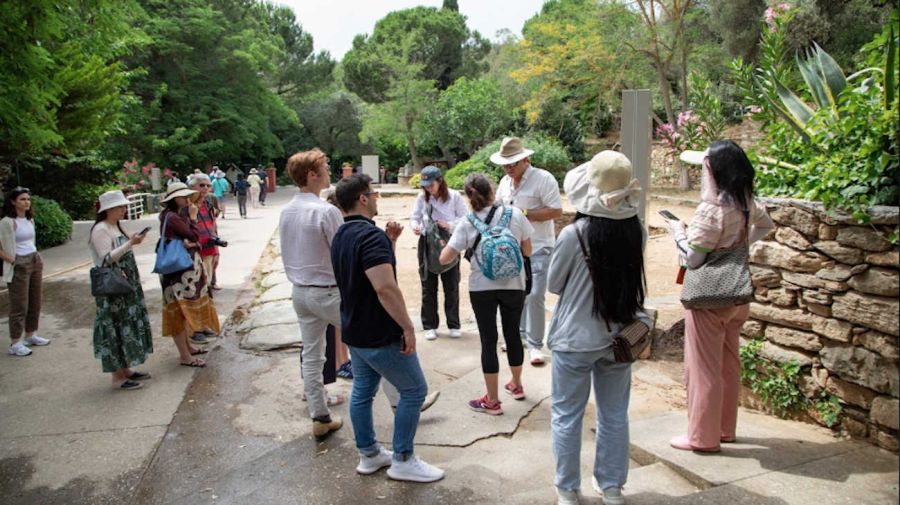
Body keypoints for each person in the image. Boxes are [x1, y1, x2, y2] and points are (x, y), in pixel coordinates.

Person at [547, 151, 653, 505]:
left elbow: (554, 284)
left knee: (566, 415)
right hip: (619, 339)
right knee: (613, 414)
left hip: (575, 340)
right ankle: (611, 488)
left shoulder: (573, 234)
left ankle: (567, 491)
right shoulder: (636, 231)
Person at [331, 174, 444, 483]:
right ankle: (404, 459)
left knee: (363, 391)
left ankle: (369, 454)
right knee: (414, 390)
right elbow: (385, 288)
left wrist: (390, 242)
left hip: (355, 331)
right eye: (374, 194)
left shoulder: (342, 234)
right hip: (379, 333)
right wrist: (407, 326)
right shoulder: (370, 237)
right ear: (363, 199)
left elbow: (370, 276)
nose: (377, 198)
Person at [666, 140, 774, 453]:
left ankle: (702, 437)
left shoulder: (711, 210)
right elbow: (765, 225)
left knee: (703, 368)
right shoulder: (745, 202)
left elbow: (694, 259)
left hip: (708, 298)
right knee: (729, 362)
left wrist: (678, 232)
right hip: (738, 294)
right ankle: (726, 429)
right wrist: (740, 248)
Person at [440, 173, 533, 415]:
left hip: (482, 287)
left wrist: (449, 247)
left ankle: (492, 401)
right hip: (514, 284)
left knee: (488, 341)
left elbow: (445, 258)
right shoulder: (514, 214)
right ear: (492, 191)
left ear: (469, 198)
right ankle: (517, 385)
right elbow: (528, 249)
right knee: (513, 334)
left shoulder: (468, 221)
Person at [279, 149, 346, 438]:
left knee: (312, 354)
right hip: (328, 291)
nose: (329, 172)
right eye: (325, 167)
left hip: (300, 292)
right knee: (376, 337)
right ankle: (403, 400)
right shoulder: (326, 211)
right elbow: (344, 256)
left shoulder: (287, 210)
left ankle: (319, 415)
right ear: (312, 175)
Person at [492, 136, 562, 365]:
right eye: (505, 164)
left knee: (534, 295)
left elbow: (556, 211)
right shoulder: (504, 182)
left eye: (512, 163)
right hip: (511, 247)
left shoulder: (543, 179)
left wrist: (523, 213)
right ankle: (519, 337)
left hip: (540, 245)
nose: (508, 168)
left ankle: (535, 344)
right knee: (516, 295)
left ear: (525, 160)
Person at [88, 191, 154, 390]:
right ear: (108, 209)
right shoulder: (100, 229)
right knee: (115, 326)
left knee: (126, 324)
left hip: (126, 283)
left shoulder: (115, 226)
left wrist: (132, 242)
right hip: (113, 286)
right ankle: (117, 376)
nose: (124, 210)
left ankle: (125, 369)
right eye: (120, 207)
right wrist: (129, 243)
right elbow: (106, 258)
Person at [157, 183, 220, 367]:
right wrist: (193, 218)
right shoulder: (173, 217)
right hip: (178, 272)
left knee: (182, 312)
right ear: (173, 198)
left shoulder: (172, 215)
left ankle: (188, 348)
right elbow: (194, 236)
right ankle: (185, 355)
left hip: (180, 270)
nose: (187, 199)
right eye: (183, 196)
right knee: (178, 311)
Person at [410, 166, 467, 340]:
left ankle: (453, 324)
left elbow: (465, 219)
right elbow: (415, 217)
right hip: (427, 244)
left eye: (431, 184)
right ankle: (429, 324)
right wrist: (416, 227)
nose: (428, 188)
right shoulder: (422, 198)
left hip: (449, 243)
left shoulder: (454, 196)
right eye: (425, 185)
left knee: (451, 286)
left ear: (440, 181)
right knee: (428, 285)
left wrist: (448, 225)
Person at [1, 187, 51, 356]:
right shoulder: (7, 222)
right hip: (18, 263)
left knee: (35, 300)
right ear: (13, 202)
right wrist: (12, 260)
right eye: (22, 199)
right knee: (19, 304)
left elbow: (31, 241)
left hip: (34, 259)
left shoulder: (30, 220)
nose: (26, 202)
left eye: (28, 199)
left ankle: (31, 334)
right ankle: (15, 342)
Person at [186, 174, 222, 337]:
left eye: (208, 185)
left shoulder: (208, 204)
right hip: (193, 253)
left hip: (209, 250)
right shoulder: (186, 207)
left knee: (206, 290)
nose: (206, 189)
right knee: (195, 290)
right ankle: (195, 328)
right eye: (201, 186)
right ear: (192, 187)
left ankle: (205, 324)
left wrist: (217, 248)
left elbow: (213, 226)